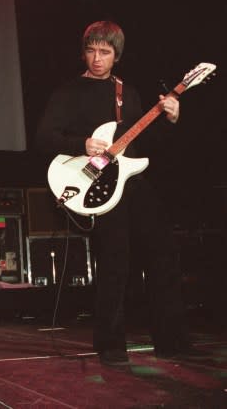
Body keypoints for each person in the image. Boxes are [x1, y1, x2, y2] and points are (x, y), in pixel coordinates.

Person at [36, 21, 192, 365]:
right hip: (95, 183)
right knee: (114, 262)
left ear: (116, 55)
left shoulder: (127, 93)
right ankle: (110, 345)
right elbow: (44, 136)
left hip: (130, 178)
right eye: (91, 50)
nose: (97, 58)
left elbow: (143, 142)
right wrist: (82, 144)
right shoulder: (67, 92)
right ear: (83, 51)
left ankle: (171, 340)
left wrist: (171, 119)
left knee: (164, 253)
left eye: (104, 52)